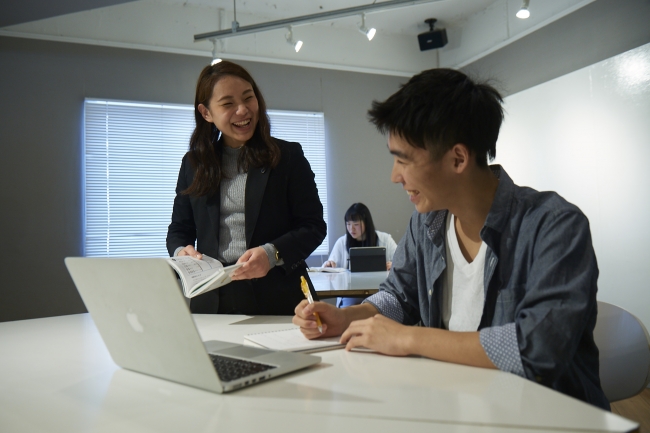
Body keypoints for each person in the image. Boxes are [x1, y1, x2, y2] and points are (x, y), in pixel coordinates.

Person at [293, 68, 609, 409]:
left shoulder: (554, 226)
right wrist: (347, 318)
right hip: (454, 406)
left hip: (545, 416)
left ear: (458, 158)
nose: (394, 176)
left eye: (403, 159)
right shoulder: (425, 224)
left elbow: (536, 348)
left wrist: (410, 338)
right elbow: (399, 297)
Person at [167, 60, 326, 316]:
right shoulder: (194, 164)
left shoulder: (287, 156)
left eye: (248, 98)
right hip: (211, 300)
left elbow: (313, 226)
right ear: (206, 113)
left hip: (279, 298)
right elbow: (179, 229)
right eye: (228, 104)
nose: (243, 110)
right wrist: (181, 251)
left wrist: (271, 254)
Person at [323, 203, 397, 307]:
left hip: (380, 293)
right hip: (350, 295)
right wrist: (329, 265)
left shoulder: (385, 240)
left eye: (356, 224)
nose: (351, 229)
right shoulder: (342, 242)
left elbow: (402, 264)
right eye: (348, 224)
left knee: (379, 311)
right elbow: (329, 268)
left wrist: (393, 265)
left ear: (366, 223)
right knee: (350, 312)